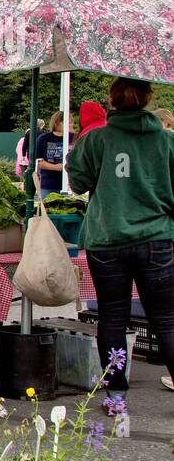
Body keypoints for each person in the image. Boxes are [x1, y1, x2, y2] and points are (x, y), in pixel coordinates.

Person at [66, 78, 174, 393]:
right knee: (167, 320)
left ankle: (116, 393)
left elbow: (78, 183)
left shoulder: (96, 139)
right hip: (156, 237)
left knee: (113, 318)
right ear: (149, 99)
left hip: (107, 238)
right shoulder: (167, 141)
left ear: (111, 101)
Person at [36, 111, 68, 198]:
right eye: (66, 121)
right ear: (57, 122)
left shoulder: (74, 138)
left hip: (70, 184)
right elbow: (38, 161)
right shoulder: (43, 138)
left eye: (71, 122)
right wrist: (56, 167)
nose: (70, 124)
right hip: (48, 184)